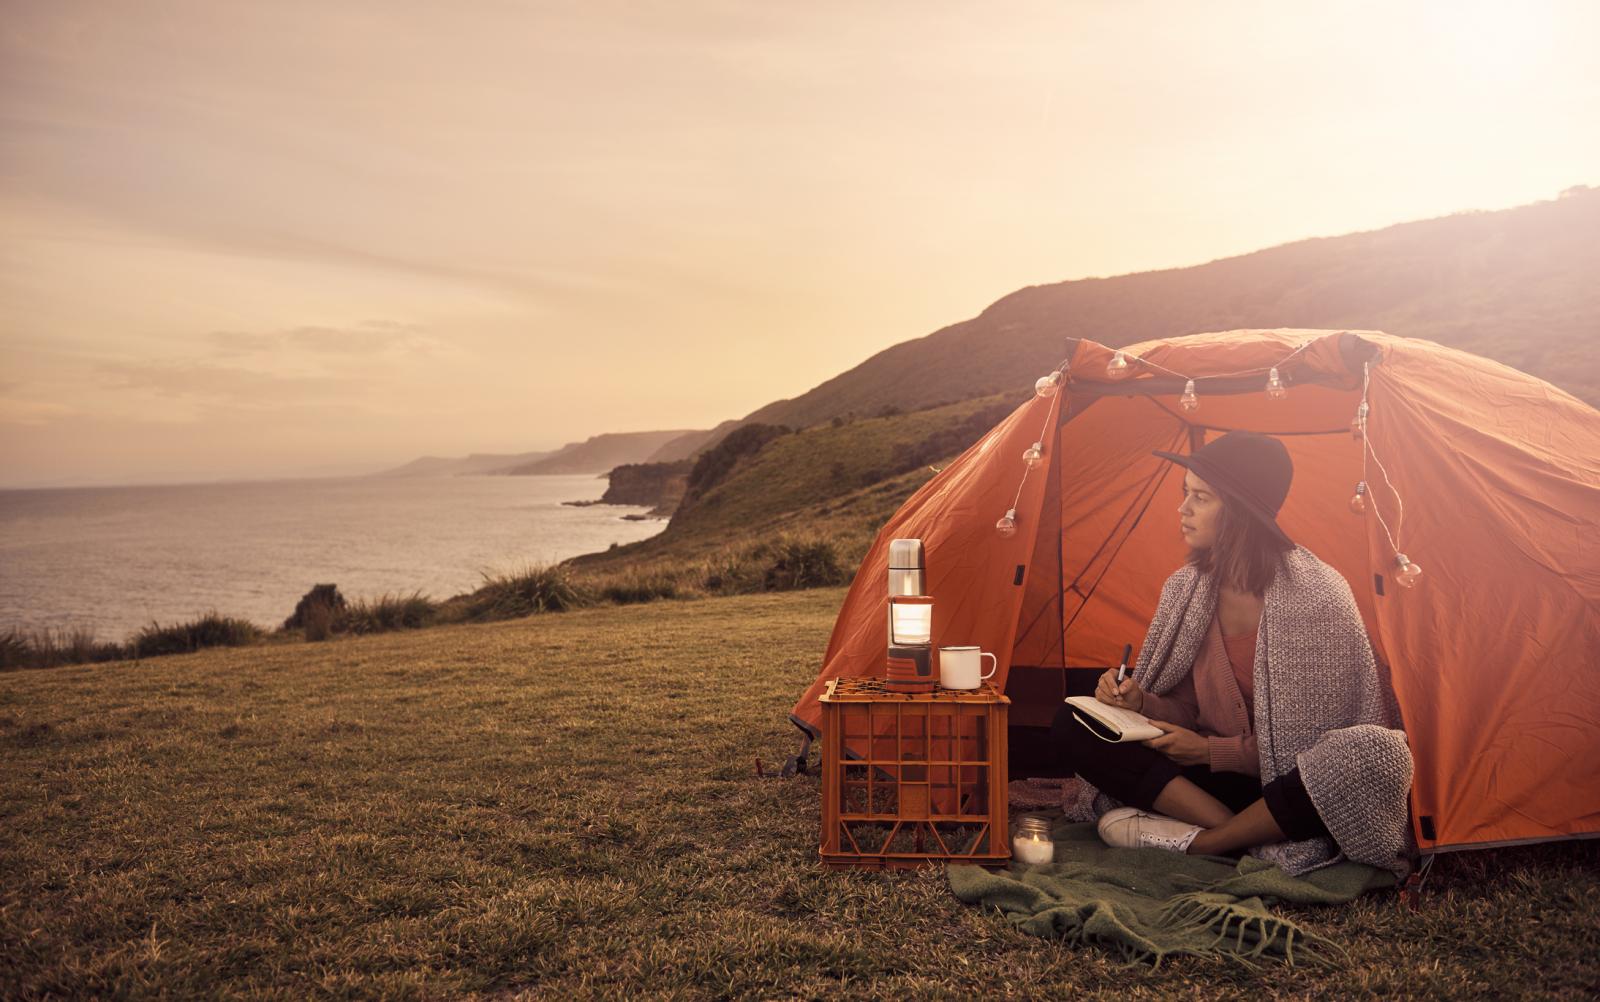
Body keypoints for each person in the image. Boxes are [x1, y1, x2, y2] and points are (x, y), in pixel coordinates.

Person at [1050, 430, 1414, 876]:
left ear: (1240, 511)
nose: (1183, 509)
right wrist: (1140, 703)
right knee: (1073, 722)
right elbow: (1186, 707)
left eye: (1200, 498)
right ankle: (1239, 833)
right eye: (1186, 494)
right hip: (1206, 790)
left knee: (1372, 753)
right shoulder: (1186, 589)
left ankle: (1207, 844)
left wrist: (1208, 751)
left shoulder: (1318, 595)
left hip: (1288, 790)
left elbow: (1313, 745)